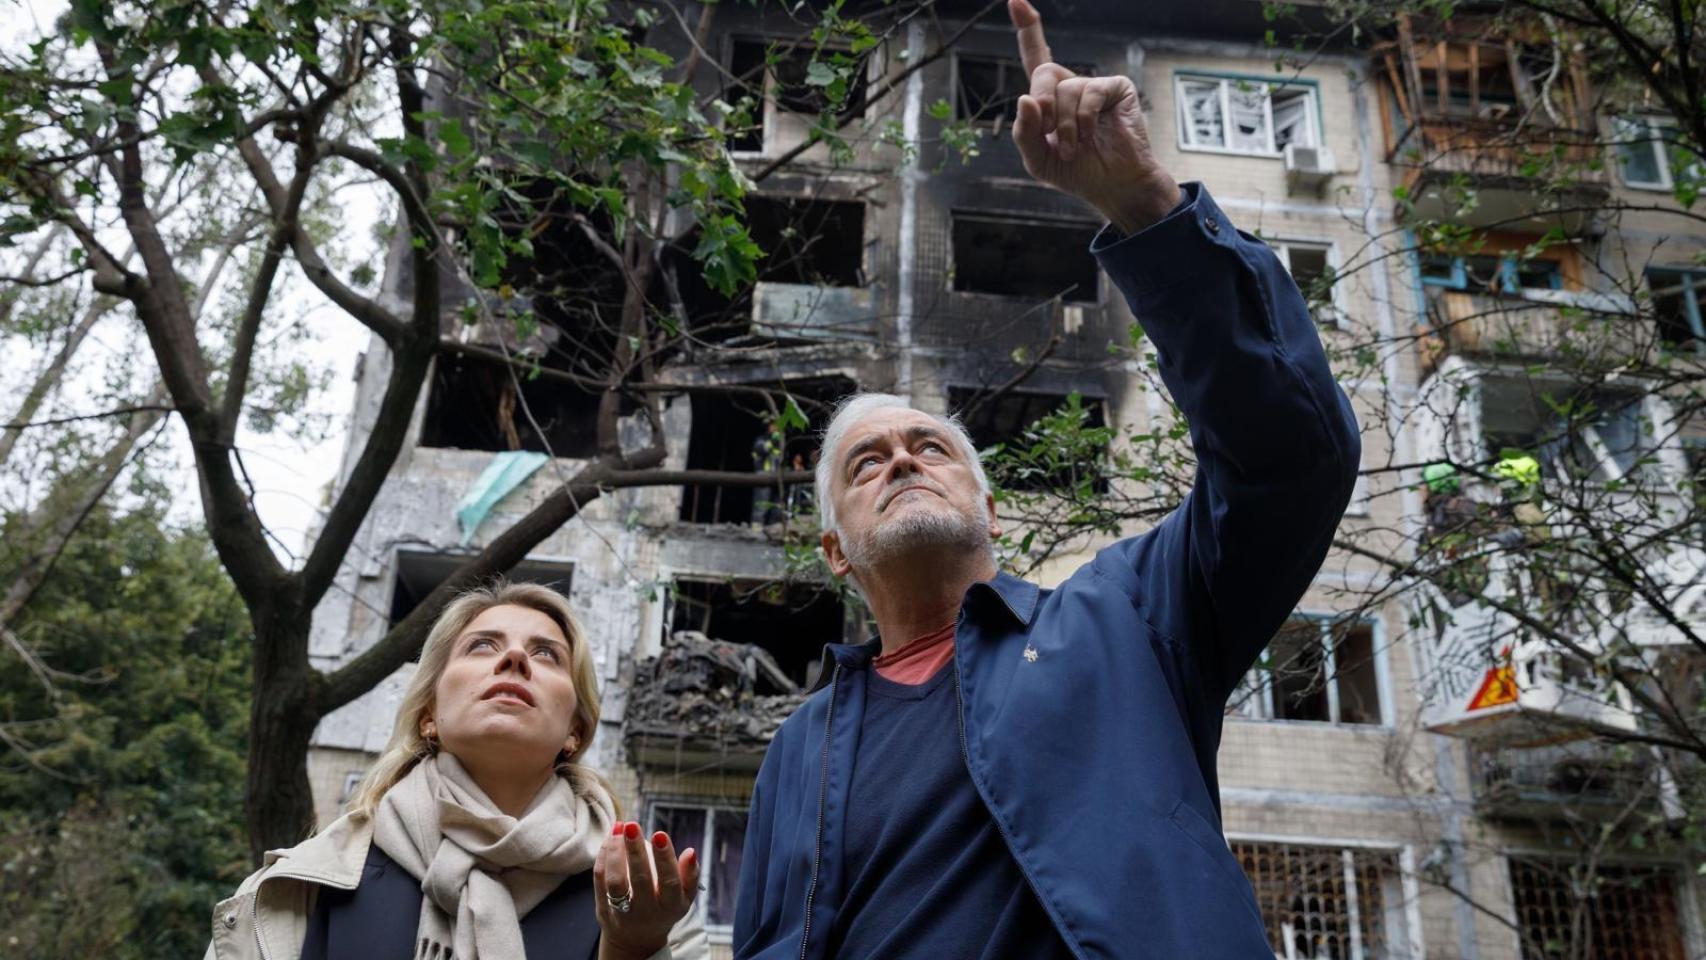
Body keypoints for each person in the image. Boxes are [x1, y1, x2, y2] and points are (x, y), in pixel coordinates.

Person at [731, 2, 1361, 958]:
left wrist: (1146, 209)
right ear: (835, 550)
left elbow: (1288, 460)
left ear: (987, 506)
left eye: (931, 448)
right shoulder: (796, 751)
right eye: (868, 463)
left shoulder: (1130, 621)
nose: (903, 458)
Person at [204, 581, 707, 960]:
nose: (514, 658)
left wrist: (634, 949)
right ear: (429, 715)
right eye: (482, 646)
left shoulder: (649, 901)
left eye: (546, 654)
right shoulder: (300, 885)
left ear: (575, 730)